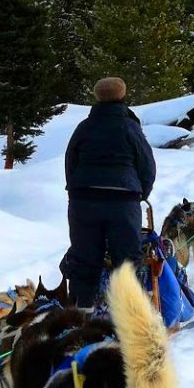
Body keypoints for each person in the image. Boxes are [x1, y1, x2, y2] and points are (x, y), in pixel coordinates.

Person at [61, 77, 156, 307]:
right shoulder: (130, 127)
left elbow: (70, 162)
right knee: (126, 262)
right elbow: (147, 166)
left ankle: (81, 315)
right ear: (123, 96)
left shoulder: (84, 127)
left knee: (84, 259)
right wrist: (140, 194)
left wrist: (76, 192)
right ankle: (129, 316)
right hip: (123, 201)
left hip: (83, 200)